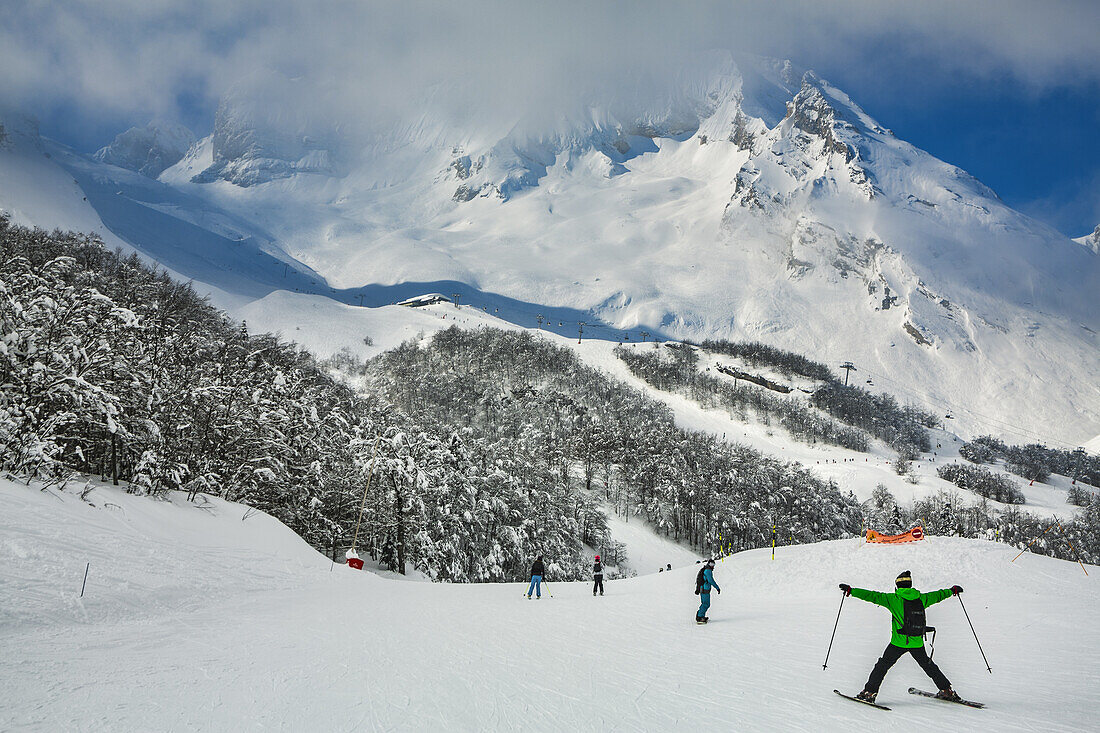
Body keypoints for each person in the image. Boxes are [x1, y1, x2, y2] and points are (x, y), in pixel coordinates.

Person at [838, 570, 964, 703]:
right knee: (928, 665)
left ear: (897, 586)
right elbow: (938, 595)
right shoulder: (921, 598)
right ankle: (946, 691)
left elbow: (871, 596)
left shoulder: (893, 599)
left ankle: (869, 693)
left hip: (898, 642)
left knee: (882, 666)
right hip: (916, 642)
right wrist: (952, 590)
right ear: (910, 585)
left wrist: (851, 590)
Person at [694, 558, 720, 623]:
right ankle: (700, 617)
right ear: (709, 564)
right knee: (706, 604)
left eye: (713, 564)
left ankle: (701, 615)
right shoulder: (708, 571)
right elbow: (710, 580)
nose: (712, 566)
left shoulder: (705, 569)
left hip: (703, 589)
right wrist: (717, 587)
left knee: (705, 603)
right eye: (711, 564)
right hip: (704, 589)